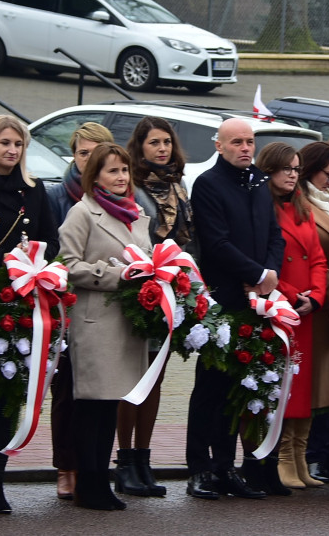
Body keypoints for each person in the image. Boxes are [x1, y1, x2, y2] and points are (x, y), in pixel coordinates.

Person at [0, 115, 59, 514]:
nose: (12, 150)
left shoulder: (34, 192)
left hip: (22, 302)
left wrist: (35, 265)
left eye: (18, 144)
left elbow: (50, 241)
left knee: (10, 392)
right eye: (4, 143)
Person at [185, 117, 284, 501]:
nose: (245, 148)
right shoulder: (209, 184)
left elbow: (274, 233)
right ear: (220, 146)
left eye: (250, 142)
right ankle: (198, 467)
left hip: (257, 299)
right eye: (237, 142)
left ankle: (225, 466)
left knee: (237, 386)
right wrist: (256, 272)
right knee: (209, 387)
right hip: (223, 300)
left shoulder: (259, 182)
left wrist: (269, 274)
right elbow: (215, 242)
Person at [59, 143, 151, 510]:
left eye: (125, 171)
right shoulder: (82, 213)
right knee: (92, 407)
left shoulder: (136, 213)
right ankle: (89, 482)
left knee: (111, 405)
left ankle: (102, 482)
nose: (121, 177)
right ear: (94, 175)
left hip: (127, 322)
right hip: (95, 320)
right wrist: (116, 275)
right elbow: (68, 266)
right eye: (113, 171)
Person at [115, 117, 195, 498]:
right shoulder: (131, 186)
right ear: (140, 147)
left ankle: (144, 460)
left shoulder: (178, 185)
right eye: (153, 143)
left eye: (166, 142)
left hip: (171, 289)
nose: (161, 149)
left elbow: (187, 239)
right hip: (138, 290)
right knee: (133, 380)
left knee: (156, 378)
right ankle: (125, 460)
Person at [44, 120, 112, 500]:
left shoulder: (118, 197)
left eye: (95, 153)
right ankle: (65, 465)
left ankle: (95, 466)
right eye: (82, 153)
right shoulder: (58, 197)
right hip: (66, 306)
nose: (88, 160)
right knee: (67, 390)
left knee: (101, 393)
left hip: (106, 309)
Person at [255, 142, 328, 492]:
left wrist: (315, 296)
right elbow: (266, 261)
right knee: (285, 384)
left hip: (306, 310)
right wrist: (289, 293)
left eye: (297, 169)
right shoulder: (262, 208)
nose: (292, 174)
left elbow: (316, 257)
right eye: (286, 168)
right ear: (269, 170)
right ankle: (284, 456)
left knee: (304, 386)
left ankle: (299, 455)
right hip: (281, 309)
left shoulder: (304, 208)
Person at [297, 141, 329, 482]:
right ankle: (309, 454)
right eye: (327, 175)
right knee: (317, 381)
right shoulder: (298, 204)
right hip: (318, 300)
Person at [46, 121, 114, 225]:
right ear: (74, 156)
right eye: (83, 153)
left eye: (97, 152)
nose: (90, 158)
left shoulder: (123, 191)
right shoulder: (55, 197)